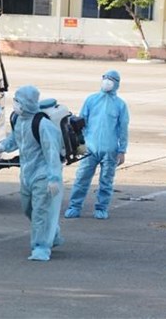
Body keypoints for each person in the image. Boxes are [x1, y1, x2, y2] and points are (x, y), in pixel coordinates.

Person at [0, 85, 64, 261]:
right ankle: (53, 234)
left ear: (28, 103)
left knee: (39, 212)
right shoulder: (18, 119)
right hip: (26, 174)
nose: (15, 104)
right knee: (28, 208)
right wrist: (1, 147)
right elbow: (15, 139)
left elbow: (52, 152)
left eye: (18, 100)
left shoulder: (43, 124)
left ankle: (41, 247)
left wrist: (54, 178)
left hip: (43, 174)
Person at [64, 70, 129, 220]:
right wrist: (80, 143)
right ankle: (75, 206)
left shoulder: (120, 105)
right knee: (82, 178)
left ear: (117, 83)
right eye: (105, 78)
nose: (107, 81)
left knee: (106, 181)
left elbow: (123, 128)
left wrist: (122, 150)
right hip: (90, 148)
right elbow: (80, 122)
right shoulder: (91, 100)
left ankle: (102, 207)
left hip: (110, 149)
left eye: (111, 79)